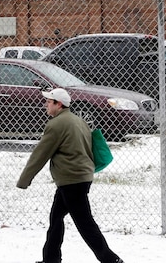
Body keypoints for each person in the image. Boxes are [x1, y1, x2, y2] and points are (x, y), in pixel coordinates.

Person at [17, 88, 124, 263]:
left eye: (49, 102)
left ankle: (111, 260)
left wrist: (24, 180)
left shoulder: (56, 125)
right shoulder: (78, 121)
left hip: (71, 180)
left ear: (59, 104)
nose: (46, 105)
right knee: (56, 218)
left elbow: (40, 154)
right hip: (80, 177)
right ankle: (51, 259)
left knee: (85, 223)